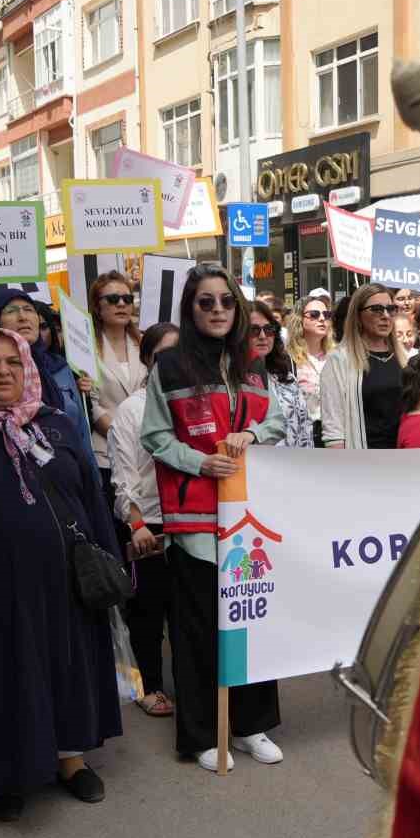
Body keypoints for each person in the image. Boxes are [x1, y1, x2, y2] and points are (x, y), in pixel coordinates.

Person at [0, 328, 121, 821]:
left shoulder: (57, 424)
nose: (3, 372)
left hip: (68, 580)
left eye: (13, 363)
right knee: (6, 676)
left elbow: (90, 494)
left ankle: (71, 760)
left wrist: (109, 557)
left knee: (68, 665)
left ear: (29, 370)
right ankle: (8, 775)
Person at [141, 265, 286, 772]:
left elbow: (278, 419)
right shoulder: (171, 367)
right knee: (199, 632)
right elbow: (156, 438)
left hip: (249, 521)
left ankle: (250, 725)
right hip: (196, 522)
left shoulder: (253, 363)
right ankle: (202, 733)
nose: (218, 309)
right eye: (206, 302)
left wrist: (255, 434)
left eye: (226, 300)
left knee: (250, 623)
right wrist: (200, 461)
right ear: (191, 308)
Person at [110, 323, 179, 719]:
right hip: (148, 525)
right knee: (147, 614)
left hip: (189, 522)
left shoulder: (194, 401)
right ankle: (148, 685)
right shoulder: (133, 409)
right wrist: (135, 524)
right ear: (148, 359)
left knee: (184, 612)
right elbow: (124, 474)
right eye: (163, 354)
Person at [318, 283, 408, 450]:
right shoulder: (340, 359)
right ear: (358, 315)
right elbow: (333, 429)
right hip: (361, 461)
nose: (386, 316)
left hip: (402, 460)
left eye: (390, 309)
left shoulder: (404, 358)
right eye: (376, 309)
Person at [88, 271, 146, 495]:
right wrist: (123, 437)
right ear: (98, 307)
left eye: (127, 298)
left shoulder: (144, 342)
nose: (121, 304)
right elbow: (92, 405)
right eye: (113, 299)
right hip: (106, 456)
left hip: (147, 455)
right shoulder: (87, 346)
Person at [249, 302, 313, 449]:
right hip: (259, 466)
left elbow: (305, 425)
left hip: (298, 465)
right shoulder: (236, 380)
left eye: (268, 329)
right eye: (254, 330)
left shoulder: (286, 376)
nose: (263, 336)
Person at [288, 296, 334, 446]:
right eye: (314, 314)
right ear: (300, 320)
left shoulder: (338, 357)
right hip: (303, 436)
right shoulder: (289, 359)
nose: (322, 319)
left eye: (326, 315)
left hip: (335, 436)